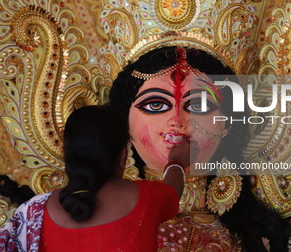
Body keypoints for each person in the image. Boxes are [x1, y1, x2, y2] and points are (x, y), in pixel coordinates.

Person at [109, 46, 289, 251]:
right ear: (124, 123)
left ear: (228, 124)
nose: (177, 121)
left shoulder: (256, 233)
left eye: (198, 106)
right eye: (156, 105)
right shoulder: (100, 219)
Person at [0, 104, 198, 252]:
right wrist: (176, 162)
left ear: (66, 152)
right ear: (122, 156)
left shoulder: (35, 211)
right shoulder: (146, 198)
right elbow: (173, 190)